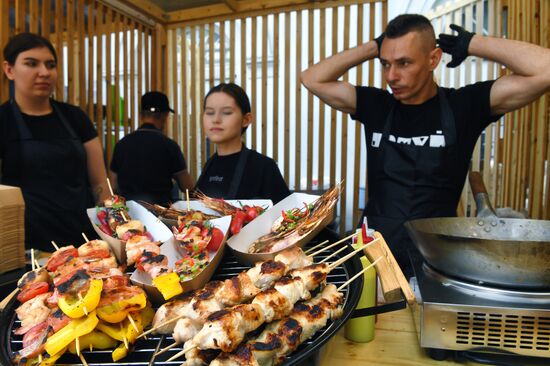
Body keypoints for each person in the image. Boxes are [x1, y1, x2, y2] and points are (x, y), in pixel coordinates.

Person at [301, 14, 550, 278]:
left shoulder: (464, 107)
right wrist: (374, 47)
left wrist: (472, 43)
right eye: (385, 64)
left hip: (437, 257)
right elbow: (312, 78)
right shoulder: (375, 105)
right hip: (373, 254)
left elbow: (545, 69)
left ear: (433, 59)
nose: (391, 76)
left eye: (404, 63)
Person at [1, 32, 110, 252]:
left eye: (50, 65)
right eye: (31, 64)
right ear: (9, 70)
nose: (44, 72)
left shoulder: (75, 117)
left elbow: (100, 183)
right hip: (29, 249)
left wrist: (113, 227)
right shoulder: (3, 121)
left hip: (86, 243)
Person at [195, 83, 290, 204]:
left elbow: (287, 215)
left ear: (246, 119)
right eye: (209, 112)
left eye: (227, 112)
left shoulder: (264, 166)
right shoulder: (209, 165)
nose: (216, 119)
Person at [110, 91, 194, 206]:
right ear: (164, 116)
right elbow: (187, 187)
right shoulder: (169, 146)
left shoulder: (121, 145)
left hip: (129, 215)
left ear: (141, 115)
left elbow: (112, 186)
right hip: (160, 215)